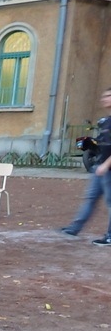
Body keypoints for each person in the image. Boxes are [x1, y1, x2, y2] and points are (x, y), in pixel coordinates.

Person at [62, 86, 111, 244]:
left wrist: (106, 165)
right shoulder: (105, 122)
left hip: (107, 168)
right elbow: (102, 143)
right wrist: (88, 143)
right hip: (100, 168)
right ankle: (74, 228)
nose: (104, 98)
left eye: (108, 96)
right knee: (90, 198)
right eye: (104, 96)